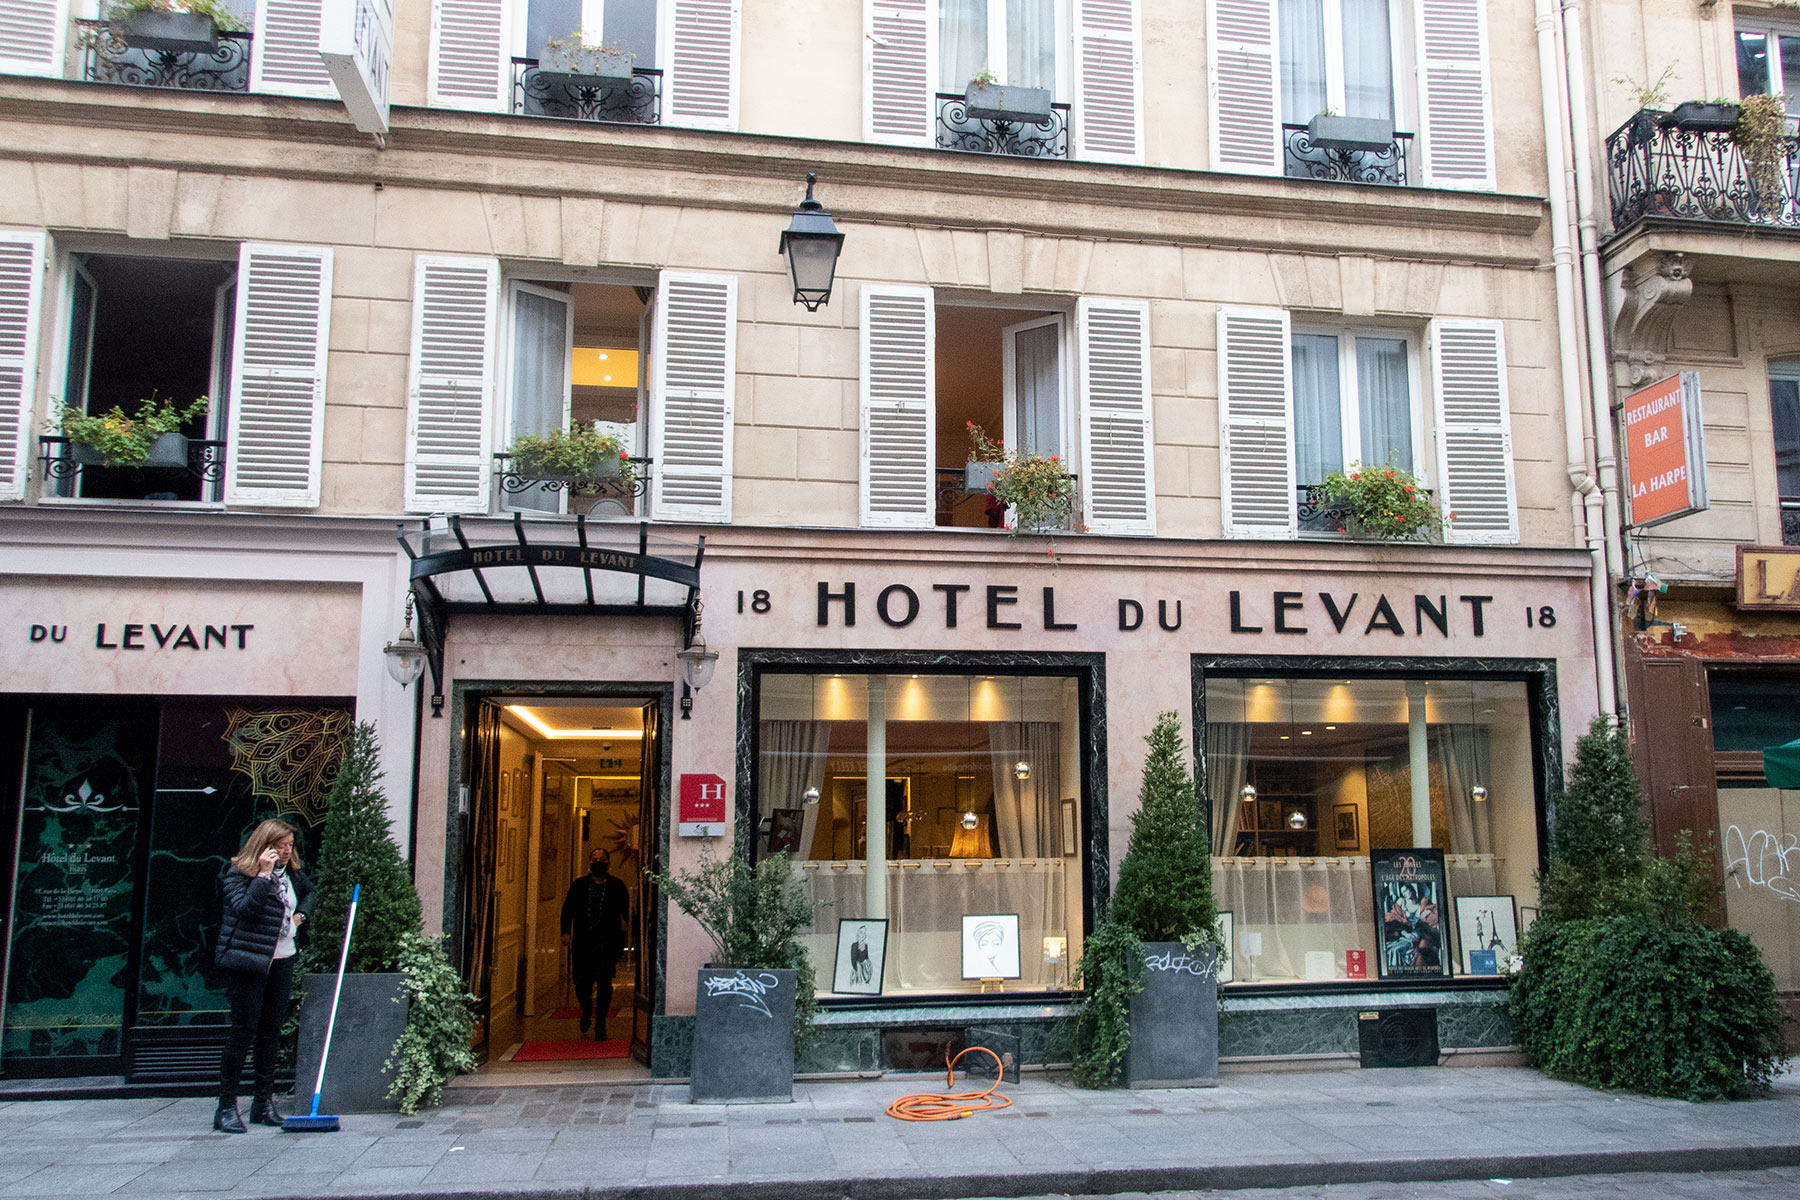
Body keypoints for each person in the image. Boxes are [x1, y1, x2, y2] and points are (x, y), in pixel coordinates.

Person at [213, 818, 313, 1133]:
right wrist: (263, 875)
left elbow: (310, 894)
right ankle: (226, 1107)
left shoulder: (293, 875)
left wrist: (300, 917)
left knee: (270, 1032)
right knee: (243, 1031)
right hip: (250, 962)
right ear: (264, 846)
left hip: (283, 959)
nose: (286, 851)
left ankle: (263, 1103)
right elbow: (245, 909)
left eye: (289, 846)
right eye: (280, 846)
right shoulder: (238, 873)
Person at [561, 848, 630, 1039]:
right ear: (589, 862)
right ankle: (585, 1010)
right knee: (581, 983)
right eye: (595, 859)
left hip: (607, 943)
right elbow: (567, 909)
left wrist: (636, 936)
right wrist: (565, 931)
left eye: (602, 859)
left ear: (609, 863)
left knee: (605, 983)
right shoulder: (579, 886)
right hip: (583, 942)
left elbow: (627, 912)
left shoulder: (617, 886)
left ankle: (601, 1021)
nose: (598, 862)